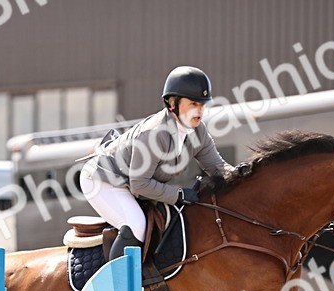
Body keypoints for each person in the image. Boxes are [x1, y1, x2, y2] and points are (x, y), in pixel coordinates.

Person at [80, 66, 234, 262]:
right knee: (137, 226)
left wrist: (244, 176)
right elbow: (140, 184)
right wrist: (178, 194)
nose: (200, 111)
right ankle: (117, 289)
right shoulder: (154, 133)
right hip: (103, 181)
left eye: (203, 105)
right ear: (172, 104)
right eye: (193, 103)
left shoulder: (198, 132)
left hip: (132, 183)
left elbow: (216, 167)